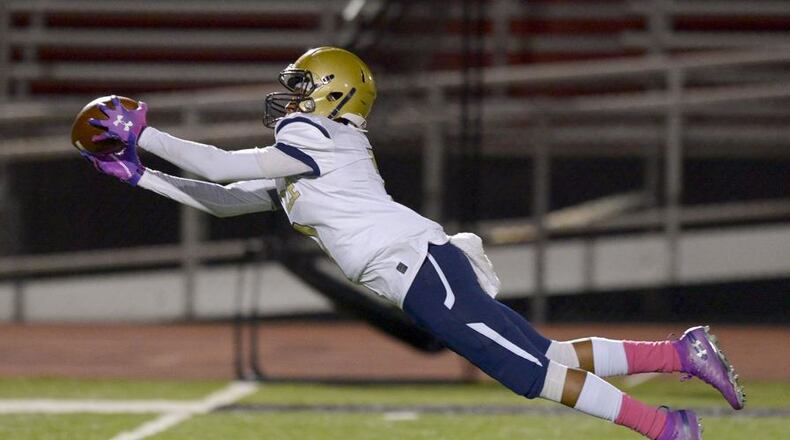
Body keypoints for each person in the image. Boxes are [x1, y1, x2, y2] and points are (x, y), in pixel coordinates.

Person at [81, 47, 744, 439]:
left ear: (330, 94)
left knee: (528, 371)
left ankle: (667, 428)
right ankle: (680, 357)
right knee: (541, 356)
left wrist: (144, 134)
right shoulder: (304, 157)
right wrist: (140, 174)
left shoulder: (319, 138)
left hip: (419, 265)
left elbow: (221, 165)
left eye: (299, 89)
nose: (288, 99)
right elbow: (221, 199)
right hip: (415, 269)